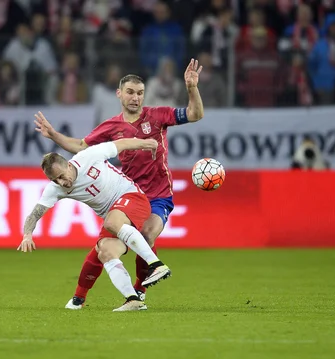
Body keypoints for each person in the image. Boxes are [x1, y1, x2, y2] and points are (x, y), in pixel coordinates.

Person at [34, 58, 204, 310]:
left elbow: (195, 114)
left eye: (140, 93)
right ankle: (79, 298)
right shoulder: (111, 126)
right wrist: (53, 135)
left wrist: (191, 88)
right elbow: (81, 146)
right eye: (130, 92)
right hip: (127, 196)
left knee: (147, 234)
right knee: (103, 248)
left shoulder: (158, 116)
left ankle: (139, 293)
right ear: (119, 94)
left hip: (158, 195)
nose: (136, 97)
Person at [18, 139, 171, 311]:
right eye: (55, 180)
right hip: (115, 215)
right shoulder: (55, 189)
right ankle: (133, 300)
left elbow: (120, 144)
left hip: (133, 197)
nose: (61, 183)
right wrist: (27, 234)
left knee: (112, 222)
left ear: (69, 165)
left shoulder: (89, 156)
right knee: (104, 251)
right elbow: (34, 214)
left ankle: (156, 265)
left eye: (61, 176)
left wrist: (146, 143)